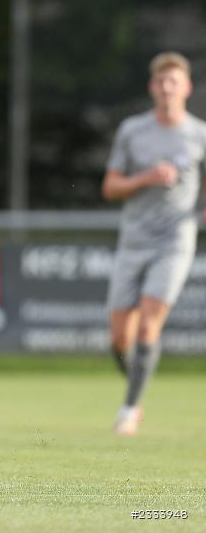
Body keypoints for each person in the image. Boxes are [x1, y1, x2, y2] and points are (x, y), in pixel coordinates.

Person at [102, 51, 206, 436]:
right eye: (161, 82)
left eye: (174, 82)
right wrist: (144, 178)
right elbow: (110, 187)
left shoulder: (199, 134)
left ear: (187, 88)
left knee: (149, 325)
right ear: (152, 87)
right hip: (134, 241)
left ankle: (129, 408)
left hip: (176, 241)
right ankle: (136, 388)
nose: (166, 88)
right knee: (119, 338)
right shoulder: (132, 130)